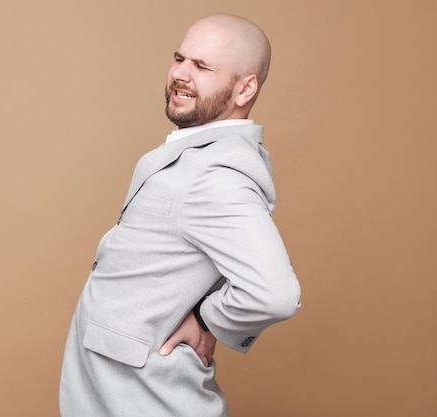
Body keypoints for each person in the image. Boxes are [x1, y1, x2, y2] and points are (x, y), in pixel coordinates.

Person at [59, 13, 301, 417]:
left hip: (148, 398)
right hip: (117, 390)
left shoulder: (218, 175)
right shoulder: (198, 158)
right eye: (180, 58)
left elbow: (275, 294)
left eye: (202, 66)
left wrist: (208, 321)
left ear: (246, 88)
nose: (180, 74)